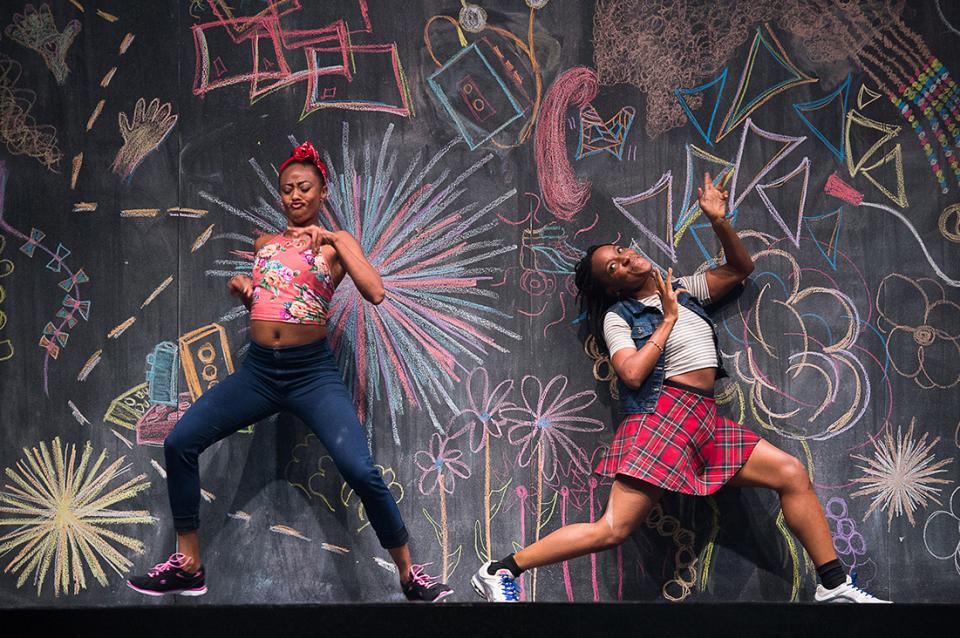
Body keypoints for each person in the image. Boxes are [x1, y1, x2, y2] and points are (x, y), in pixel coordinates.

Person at [471, 173, 888, 604]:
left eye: (619, 252)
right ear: (613, 286)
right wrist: (666, 320)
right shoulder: (621, 317)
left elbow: (740, 269)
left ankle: (833, 584)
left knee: (791, 474)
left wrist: (719, 221)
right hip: (661, 417)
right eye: (613, 268)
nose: (624, 260)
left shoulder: (686, 290)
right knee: (612, 528)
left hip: (704, 418)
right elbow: (631, 374)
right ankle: (503, 568)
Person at [127, 141, 453, 602]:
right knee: (181, 441)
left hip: (311, 374)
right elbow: (274, 296)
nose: (294, 196)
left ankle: (408, 574)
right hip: (260, 373)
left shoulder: (338, 247)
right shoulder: (265, 245)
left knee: (359, 469)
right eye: (287, 190)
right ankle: (189, 566)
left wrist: (338, 238)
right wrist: (244, 289)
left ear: (323, 193)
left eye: (304, 188)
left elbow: (375, 292)